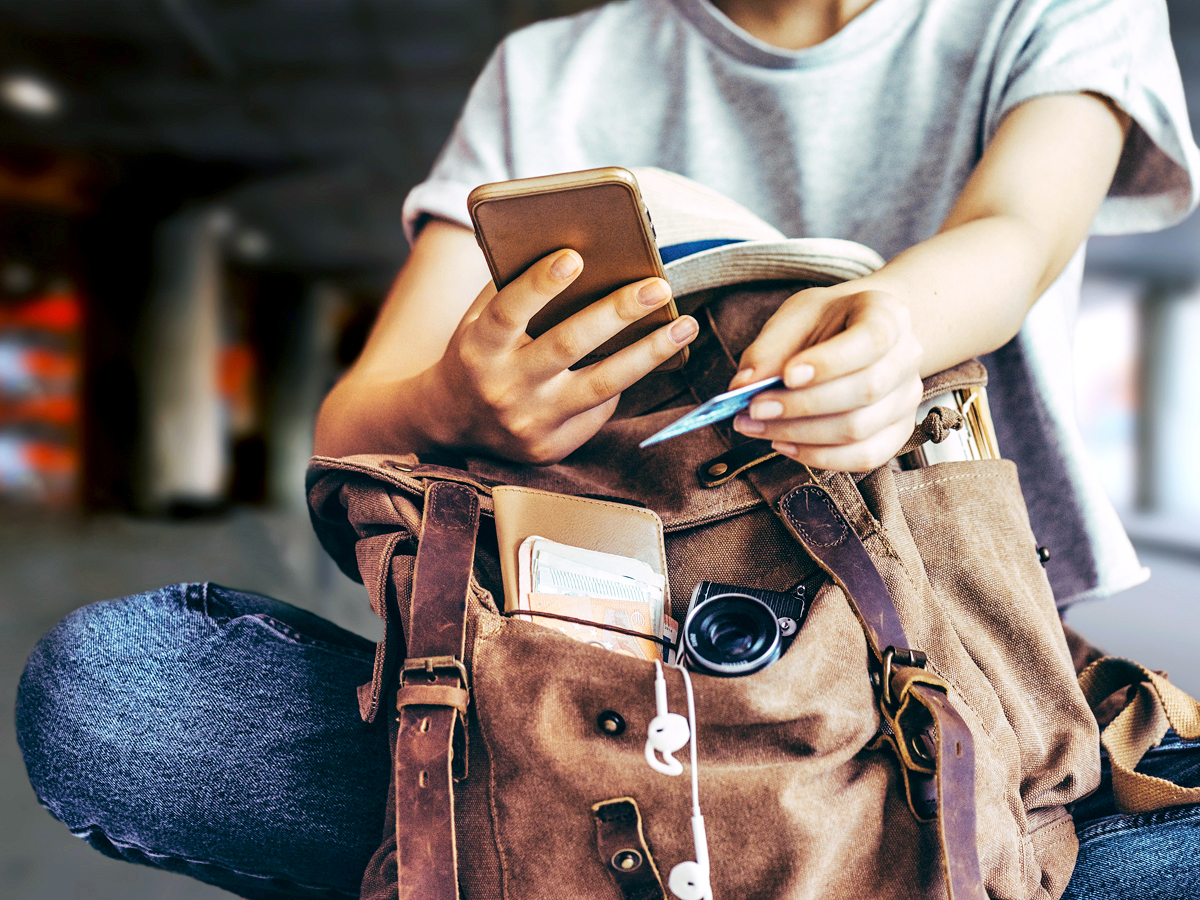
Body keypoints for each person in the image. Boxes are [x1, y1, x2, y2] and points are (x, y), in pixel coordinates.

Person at [16, 1, 1200, 898]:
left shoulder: (1055, 13)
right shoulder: (552, 69)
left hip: (950, 676)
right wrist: (460, 398)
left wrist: (895, 333)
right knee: (120, 699)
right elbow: (356, 424)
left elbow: (1017, 231)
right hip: (577, 686)